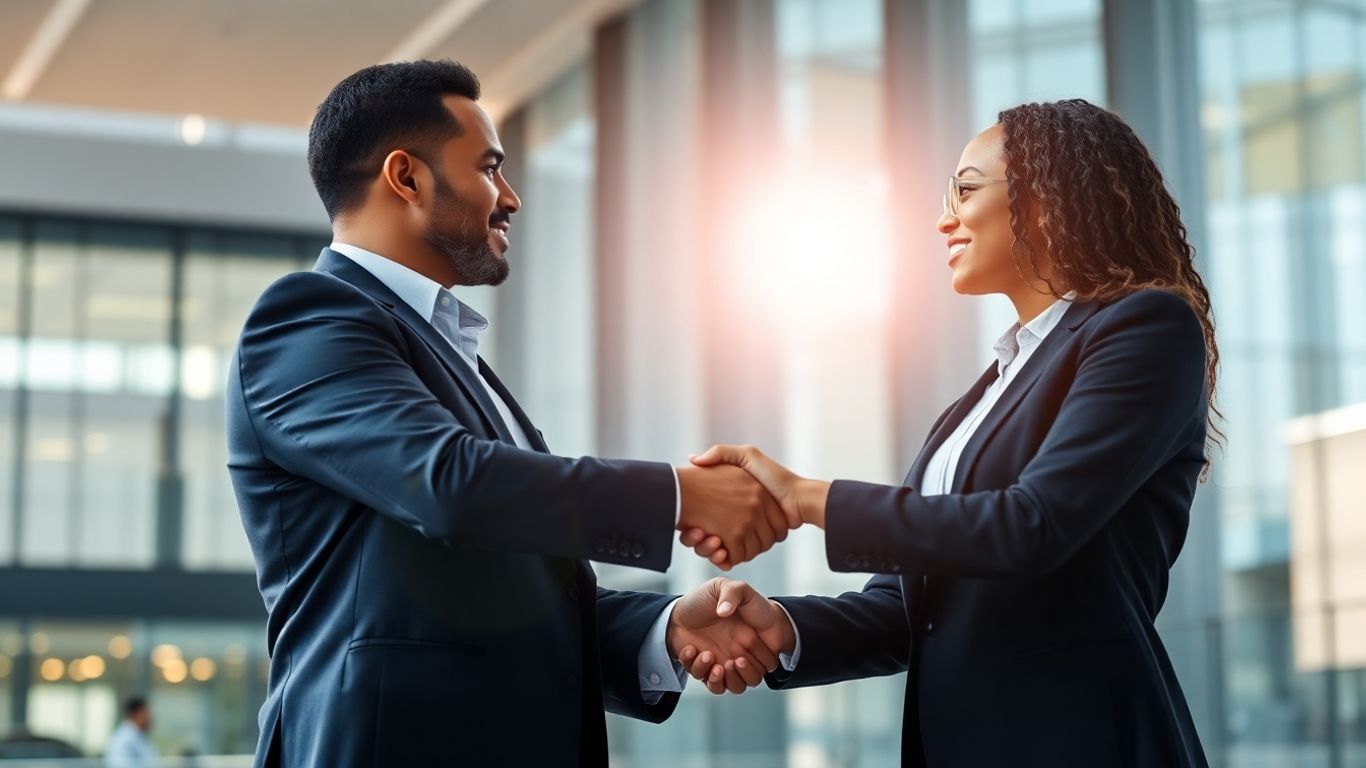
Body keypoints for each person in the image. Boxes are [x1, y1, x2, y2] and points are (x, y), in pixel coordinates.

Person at [227, 59, 791, 768]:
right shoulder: (308, 318)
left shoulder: (449, 353)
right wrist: (678, 495)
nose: (511, 198)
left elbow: (515, 591)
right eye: (490, 167)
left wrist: (667, 628)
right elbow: (449, 485)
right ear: (407, 177)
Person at [677, 99, 1219, 766]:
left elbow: (1031, 527)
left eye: (964, 190)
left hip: (1080, 739)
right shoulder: (984, 395)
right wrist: (781, 628)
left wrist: (805, 498)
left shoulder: (1145, 328)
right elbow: (912, 608)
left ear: (1046, 198)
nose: (943, 218)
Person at [104, 697, 156, 768]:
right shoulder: (122, 739)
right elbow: (117, 765)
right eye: (146, 712)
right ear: (136, 713)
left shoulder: (140, 737)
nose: (150, 717)